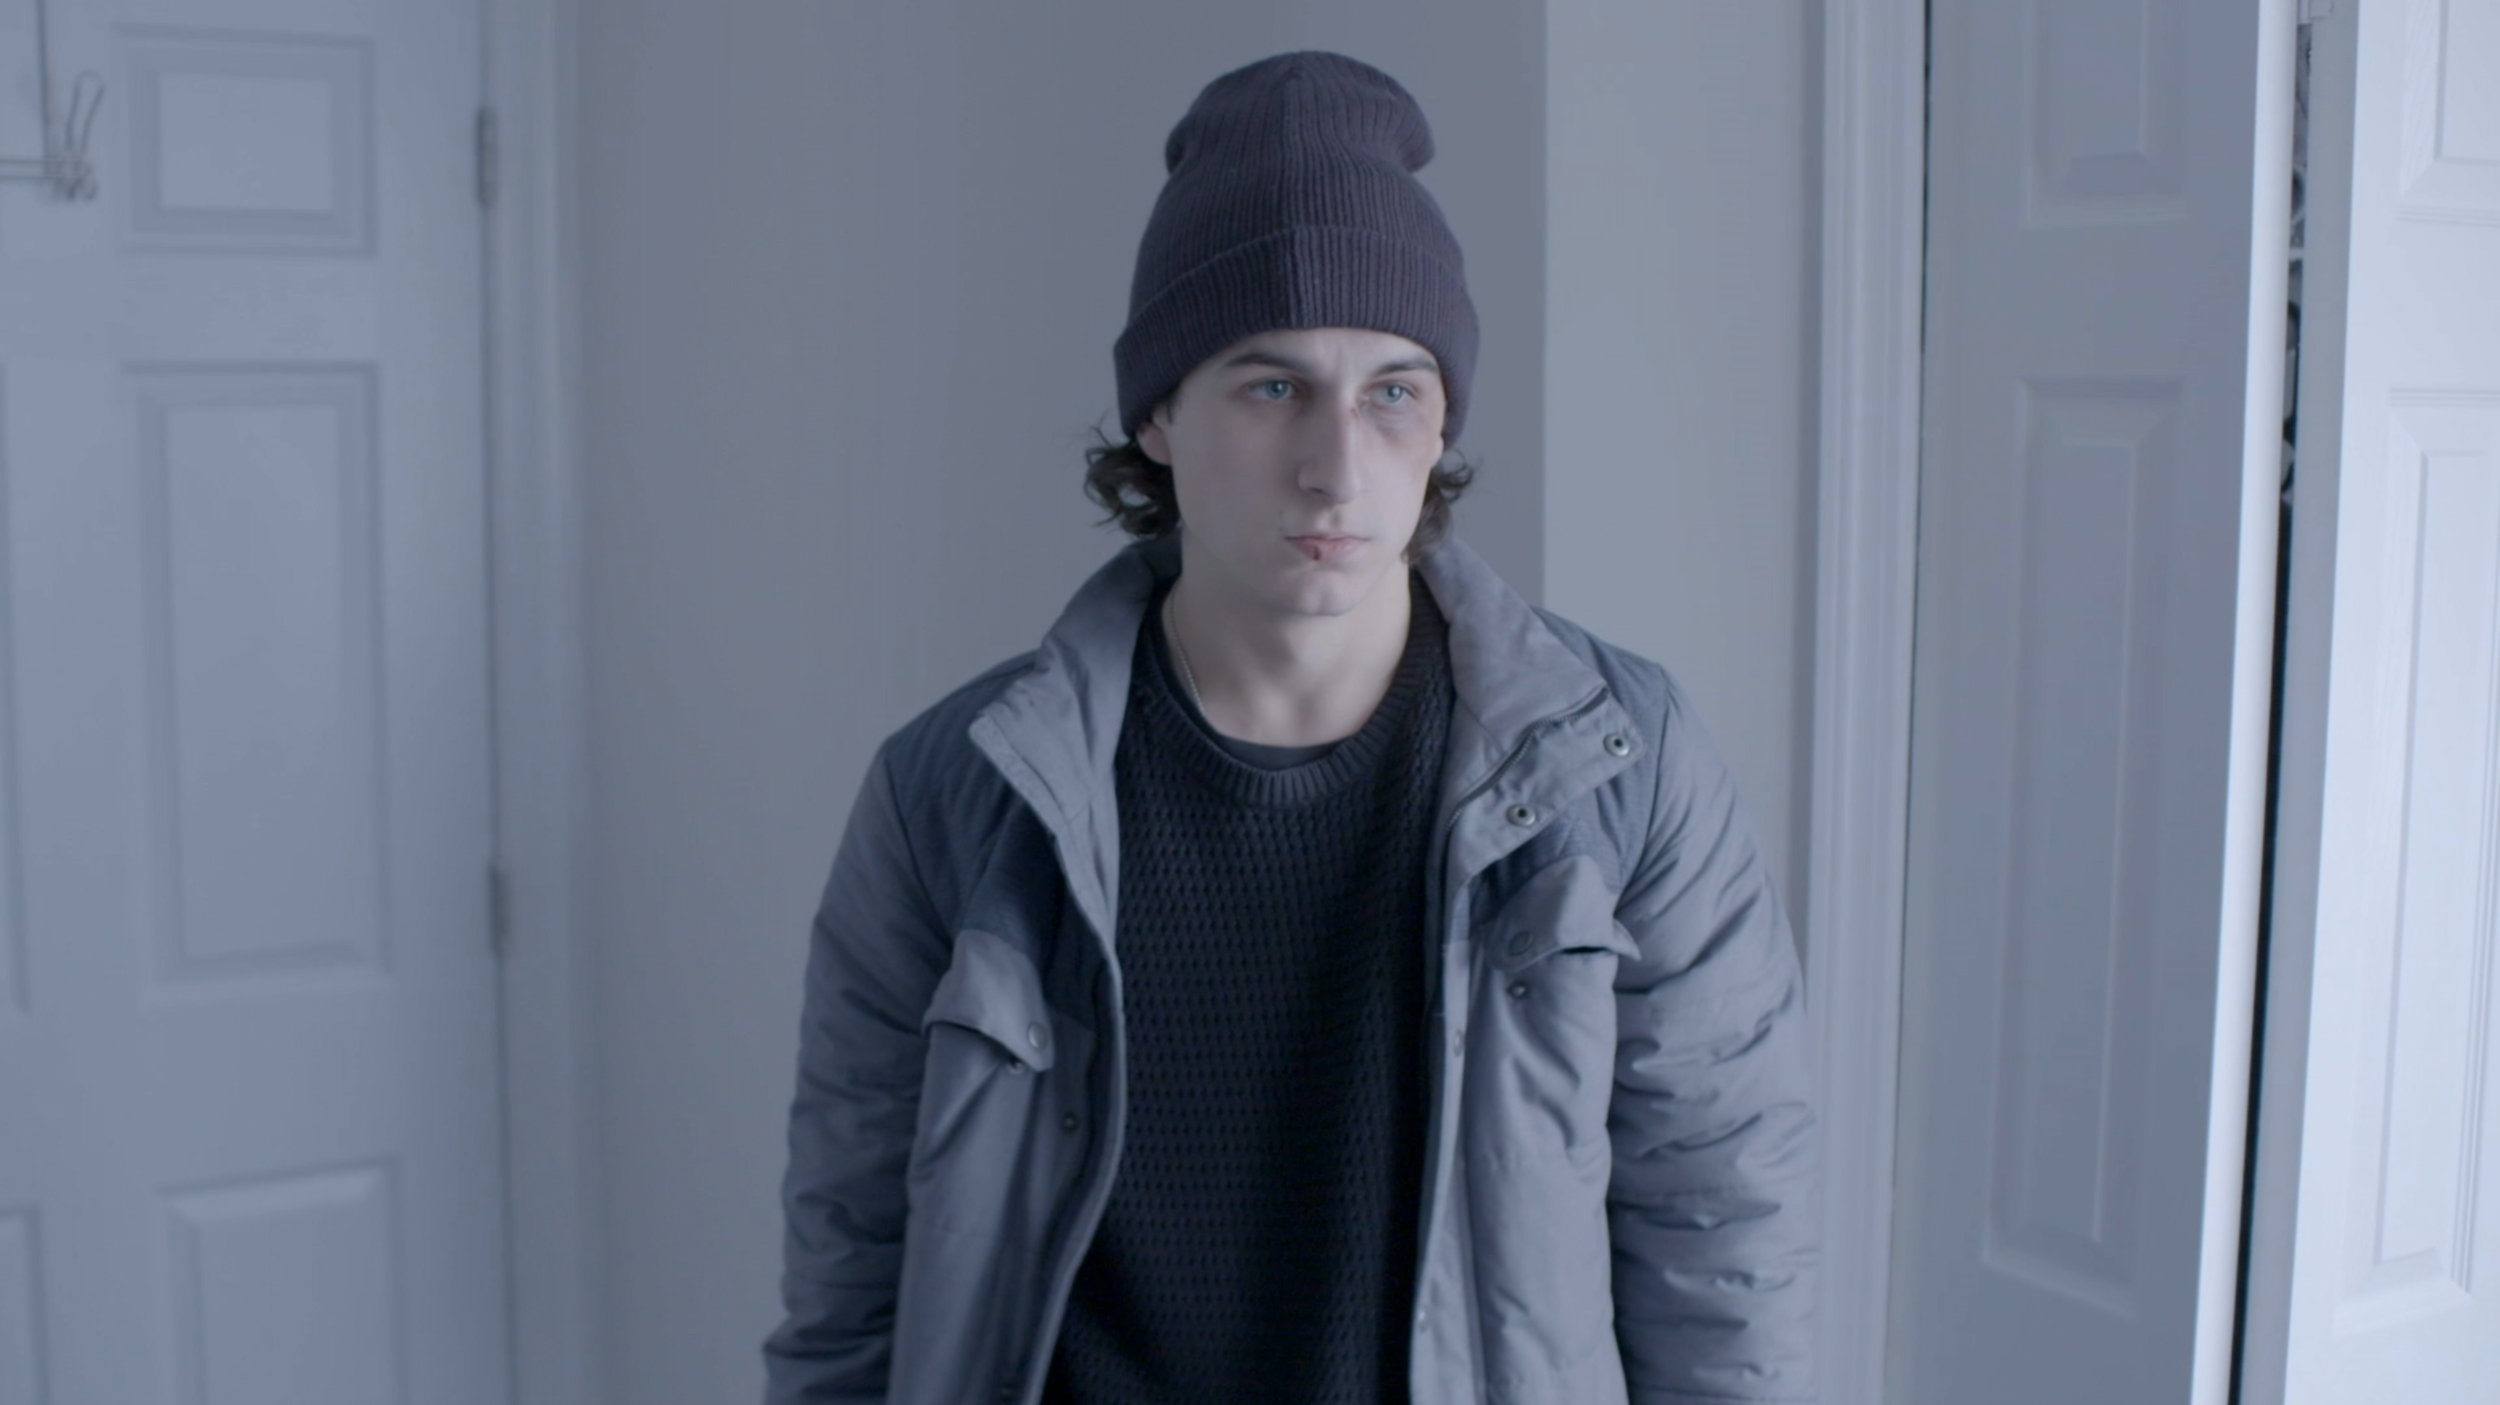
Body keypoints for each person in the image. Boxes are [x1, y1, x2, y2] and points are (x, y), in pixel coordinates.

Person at [762, 48, 1818, 1405]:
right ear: (1159, 414)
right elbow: (852, 1274)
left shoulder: (1623, 765)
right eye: (1271, 387)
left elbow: (1723, 1245)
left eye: (1393, 392)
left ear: (1442, 422)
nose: (1335, 467)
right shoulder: (950, 797)